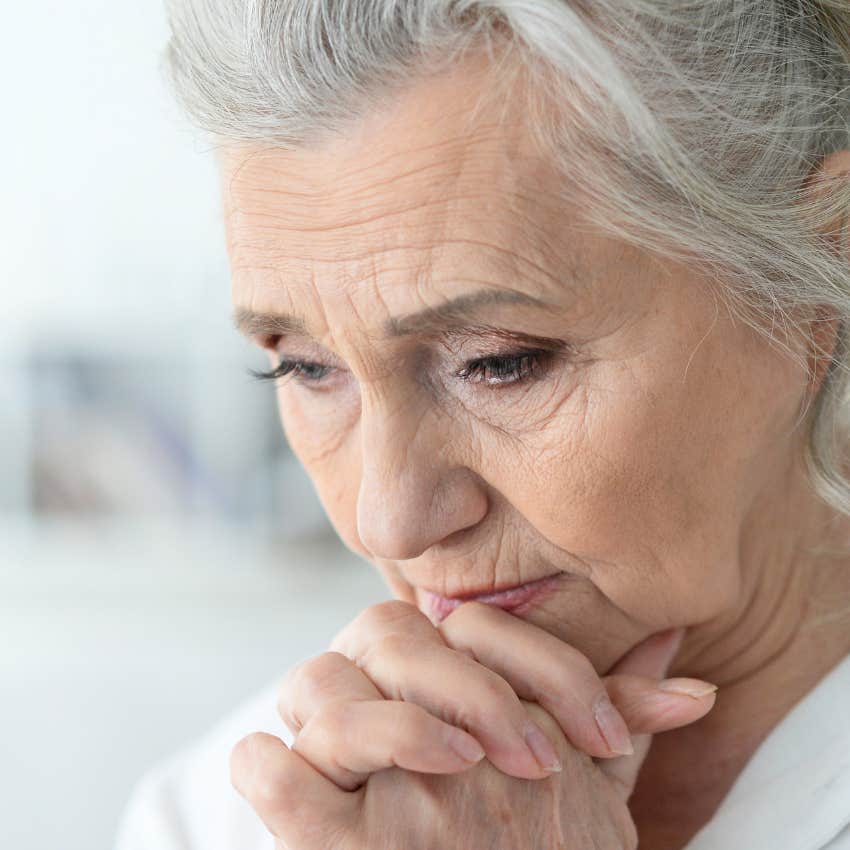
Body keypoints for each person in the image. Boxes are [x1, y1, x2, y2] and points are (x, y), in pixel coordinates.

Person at [116, 2, 850, 848]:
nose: (384, 519)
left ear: (811, 280)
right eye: (307, 367)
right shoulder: (219, 817)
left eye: (499, 362)